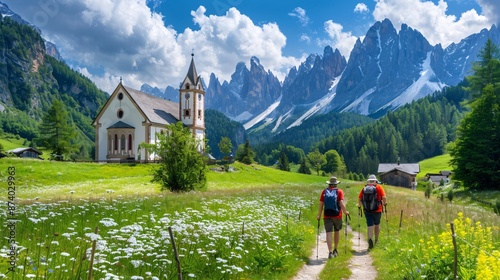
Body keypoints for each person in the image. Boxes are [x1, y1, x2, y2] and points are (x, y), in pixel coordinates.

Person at [317, 176, 349, 259]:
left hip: (327, 215)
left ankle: (330, 252)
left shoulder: (324, 191)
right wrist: (345, 212)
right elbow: (341, 203)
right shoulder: (339, 192)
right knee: (337, 231)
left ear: (329, 184)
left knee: (328, 233)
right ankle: (335, 250)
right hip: (337, 215)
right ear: (336, 184)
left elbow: (321, 204)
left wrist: (319, 215)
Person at [358, 174, 387, 250]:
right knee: (377, 224)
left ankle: (370, 239)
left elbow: (360, 199)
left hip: (367, 210)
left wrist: (359, 206)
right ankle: (376, 239)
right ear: (375, 181)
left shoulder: (364, 188)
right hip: (377, 210)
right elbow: (384, 197)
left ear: (368, 181)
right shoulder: (379, 187)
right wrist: (384, 203)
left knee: (370, 225)